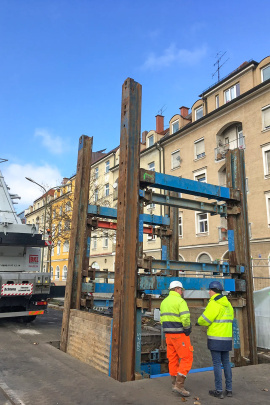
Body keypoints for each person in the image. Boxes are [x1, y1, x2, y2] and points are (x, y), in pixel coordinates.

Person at [197, 281, 234, 399]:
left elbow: (205, 319)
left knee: (217, 364)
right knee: (226, 363)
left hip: (216, 338)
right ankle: (229, 389)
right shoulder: (228, 304)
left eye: (209, 290)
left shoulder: (214, 303)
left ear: (213, 291)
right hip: (227, 338)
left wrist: (198, 322)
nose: (208, 292)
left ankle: (218, 390)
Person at [160, 280, 193, 397]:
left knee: (172, 358)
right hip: (180, 335)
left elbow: (161, 320)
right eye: (181, 289)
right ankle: (179, 385)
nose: (182, 292)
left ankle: (174, 383)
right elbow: (185, 317)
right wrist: (187, 329)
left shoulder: (164, 302)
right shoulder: (180, 301)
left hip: (168, 335)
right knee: (187, 357)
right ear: (176, 289)